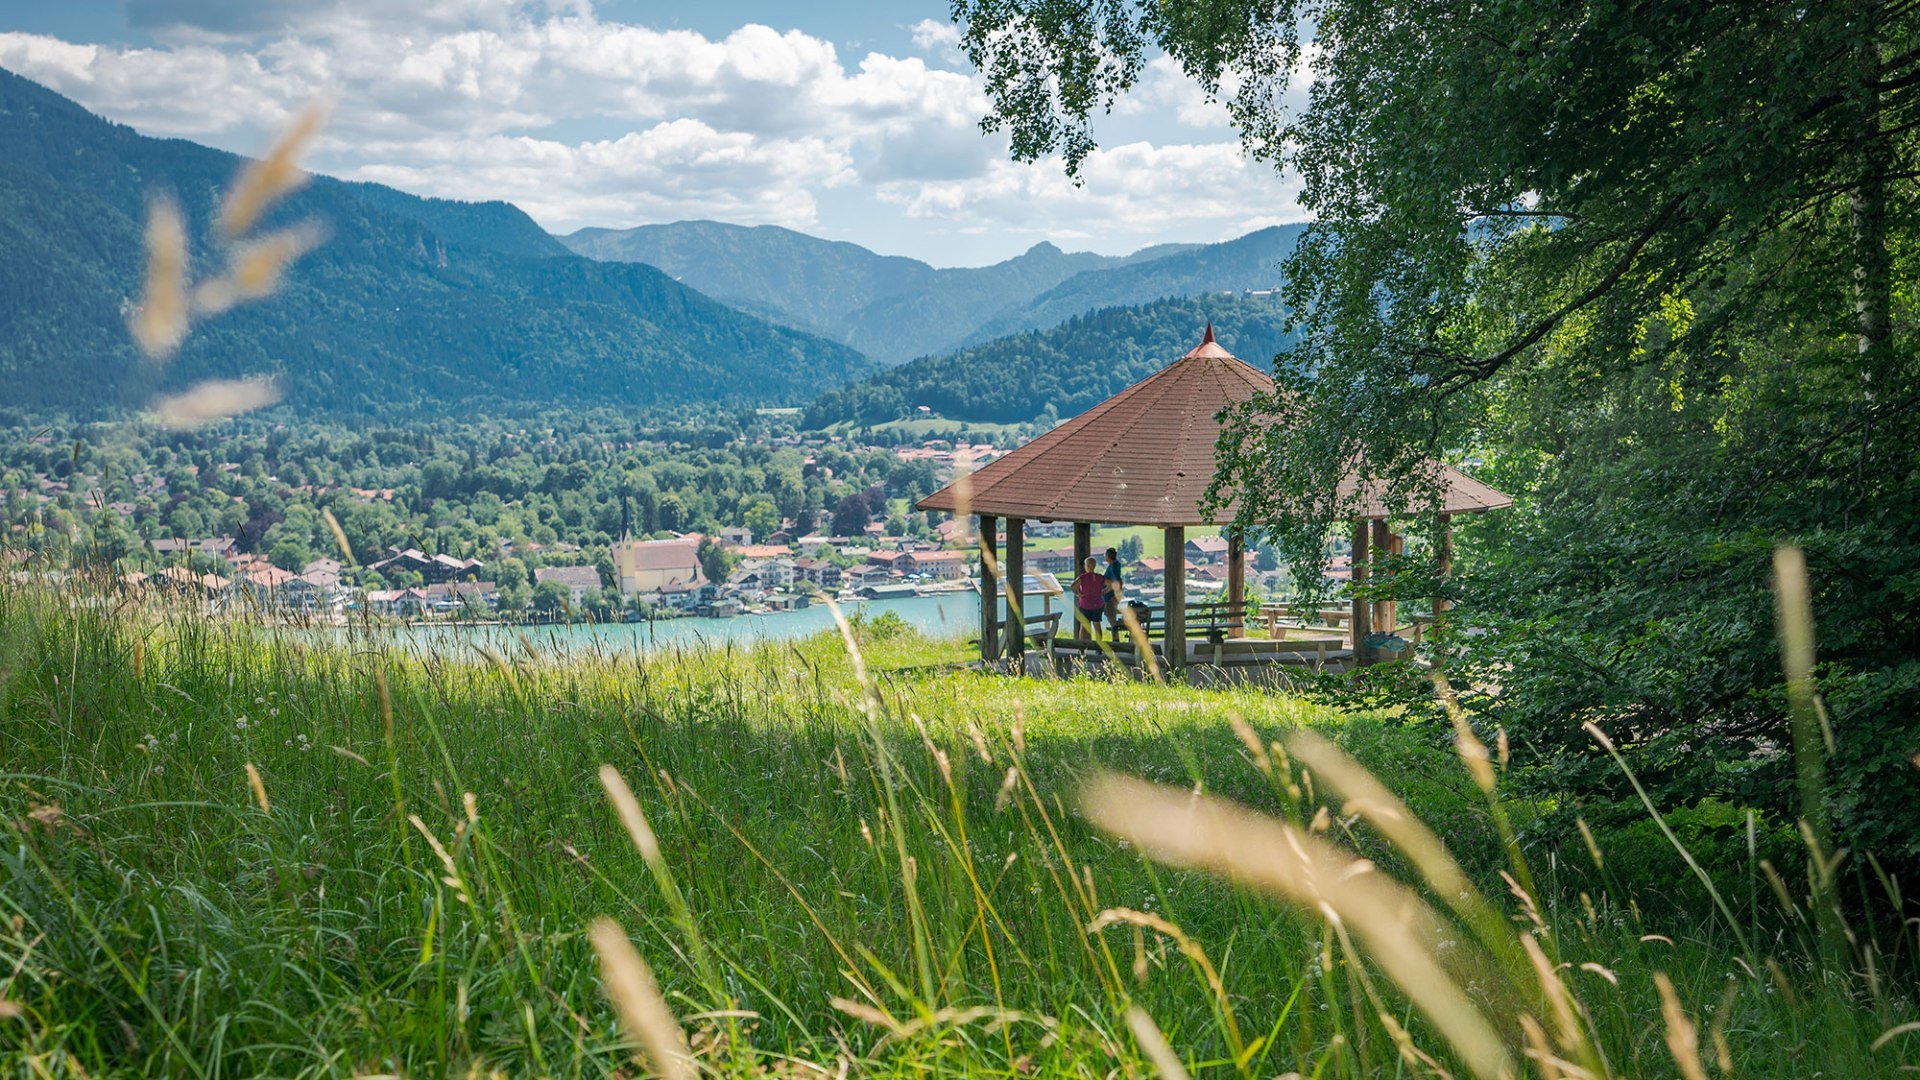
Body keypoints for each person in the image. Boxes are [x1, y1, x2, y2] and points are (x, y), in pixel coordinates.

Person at [1102, 546, 1124, 639]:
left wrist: (1105, 591)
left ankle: (1116, 641)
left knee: (1111, 617)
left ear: (1108, 556)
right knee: (1111, 616)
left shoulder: (1112, 567)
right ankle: (1116, 640)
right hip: (1111, 596)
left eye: (1105, 555)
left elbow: (1116, 582)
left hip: (1110, 597)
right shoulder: (1116, 564)